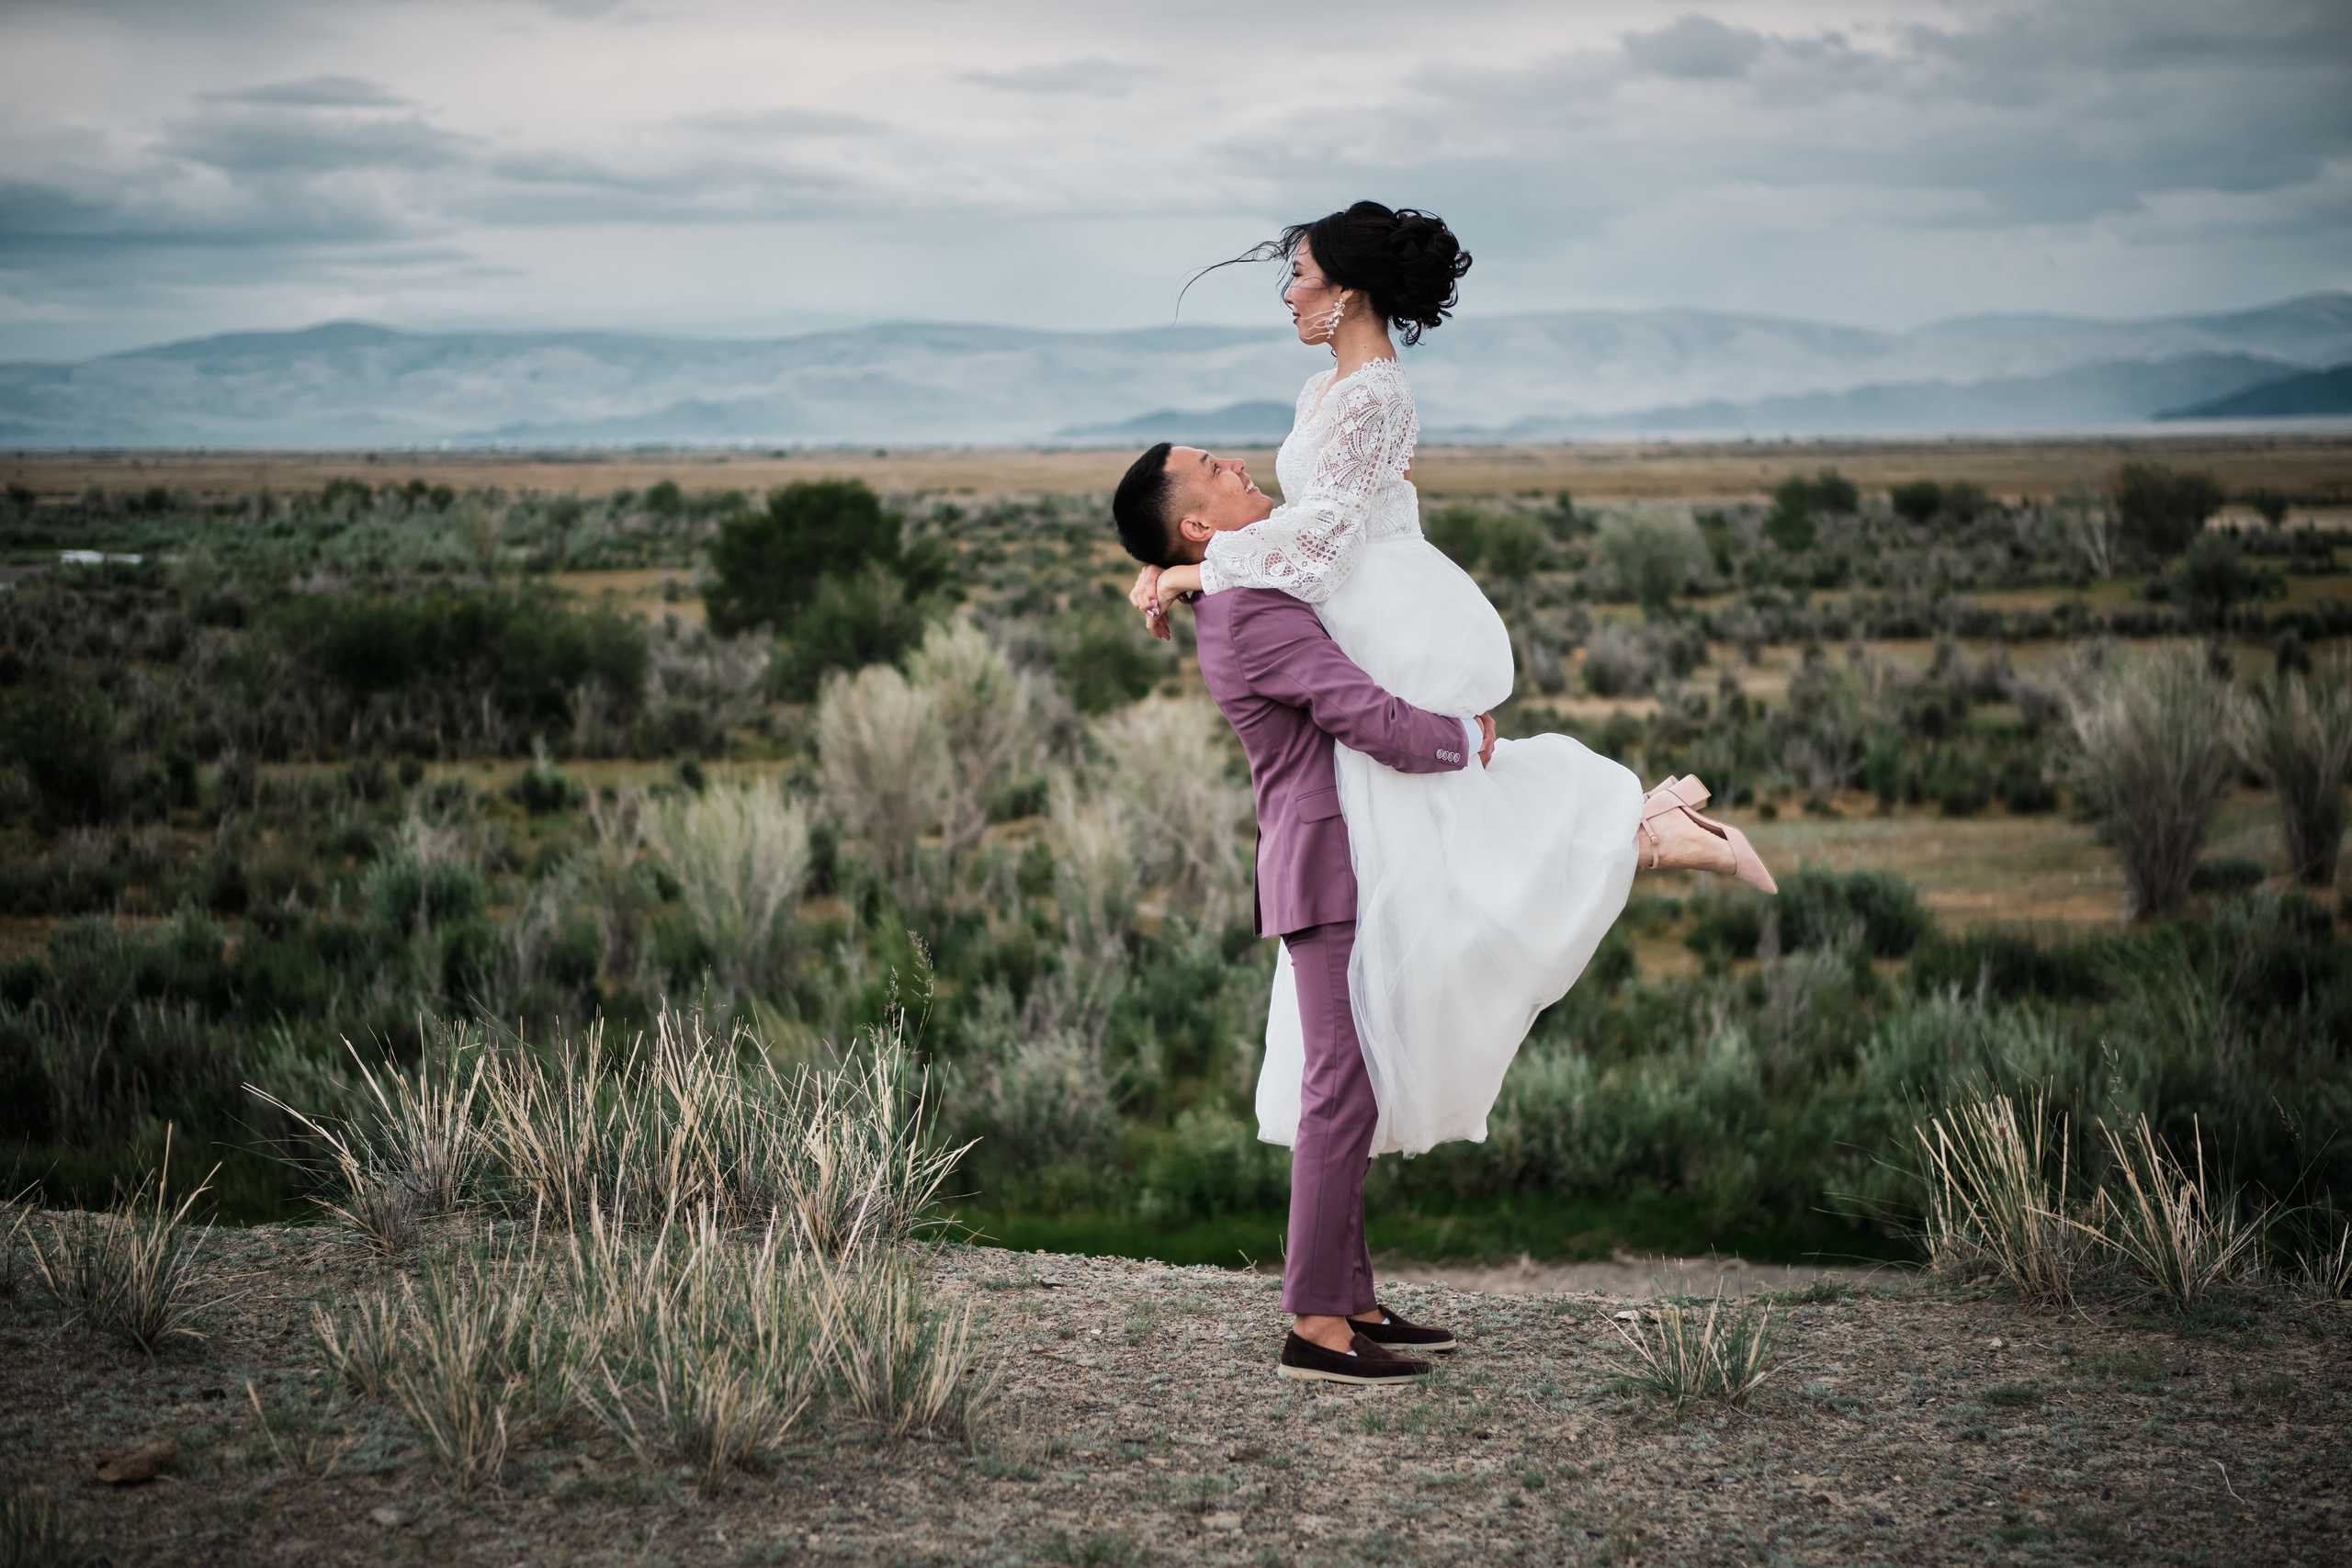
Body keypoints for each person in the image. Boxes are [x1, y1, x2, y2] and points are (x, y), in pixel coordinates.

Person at [1121, 201, 1775, 1170]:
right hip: (1348, 595)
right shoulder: (1324, 392)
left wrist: (1189, 570)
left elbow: (1315, 541)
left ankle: (1636, 836)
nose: (1289, 292)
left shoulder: (1375, 393)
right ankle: (1642, 832)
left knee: (1422, 838)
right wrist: (1183, 560)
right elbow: (1310, 518)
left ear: (1346, 290)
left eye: (1298, 273)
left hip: (1380, 606)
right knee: (1417, 854)